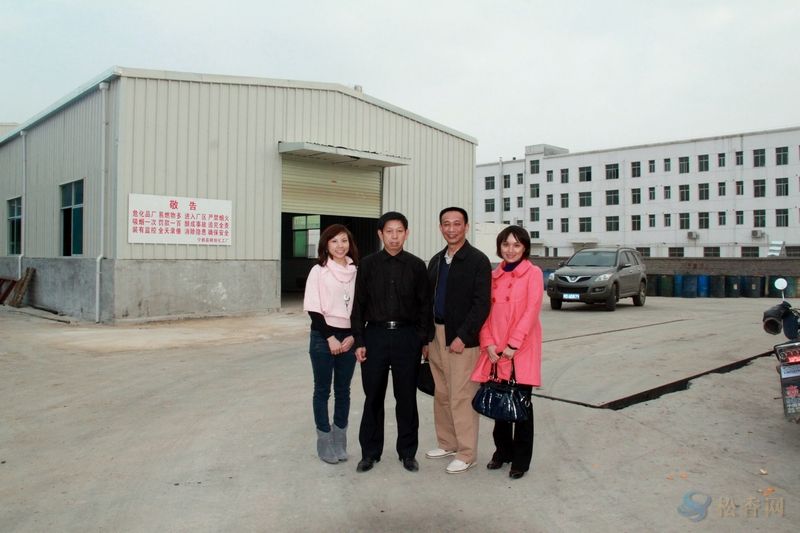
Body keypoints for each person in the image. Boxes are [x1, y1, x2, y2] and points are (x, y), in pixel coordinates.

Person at [350, 212, 430, 474]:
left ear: (407, 233)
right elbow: (358, 305)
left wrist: (422, 340)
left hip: (407, 337)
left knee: (406, 397)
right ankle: (369, 453)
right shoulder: (368, 265)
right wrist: (359, 340)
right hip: (375, 336)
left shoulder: (417, 266)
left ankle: (407, 453)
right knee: (373, 396)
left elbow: (424, 307)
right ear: (380, 234)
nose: (394, 237)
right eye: (389, 231)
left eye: (399, 231)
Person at [471, 225, 543, 480]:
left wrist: (513, 345)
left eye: (516, 245)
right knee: (498, 403)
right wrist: (488, 343)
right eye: (506, 244)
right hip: (495, 351)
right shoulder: (493, 276)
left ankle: (520, 460)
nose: (510, 250)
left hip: (520, 350)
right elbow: (484, 313)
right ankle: (502, 452)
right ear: (499, 247)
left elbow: (531, 311)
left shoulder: (533, 274)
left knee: (521, 406)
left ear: (525, 248)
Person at [424, 207, 491, 474]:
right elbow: (427, 301)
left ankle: (466, 453)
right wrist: (426, 338)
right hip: (436, 334)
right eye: (446, 224)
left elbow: (482, 303)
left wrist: (464, 335)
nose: (451, 229)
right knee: (441, 393)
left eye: (456, 224)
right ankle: (448, 443)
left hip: (462, 339)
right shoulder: (436, 260)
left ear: (466, 227)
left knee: (462, 395)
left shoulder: (477, 261)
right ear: (440, 227)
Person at [303, 224, 359, 464]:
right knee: (322, 390)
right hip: (322, 336)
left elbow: (362, 308)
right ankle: (324, 441)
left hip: (349, 337)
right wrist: (330, 338)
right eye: (334, 241)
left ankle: (340, 440)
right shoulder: (319, 271)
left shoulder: (357, 271)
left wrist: (354, 336)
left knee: (343, 391)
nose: (340, 246)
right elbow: (314, 309)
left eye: (344, 240)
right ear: (326, 245)